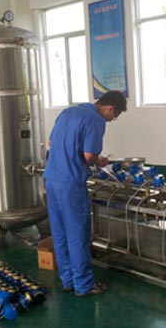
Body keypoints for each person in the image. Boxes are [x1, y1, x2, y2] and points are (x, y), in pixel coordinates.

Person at [43, 90, 127, 296]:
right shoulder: (95, 120)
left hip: (51, 179)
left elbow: (51, 143)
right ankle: (84, 284)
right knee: (77, 234)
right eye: (114, 116)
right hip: (70, 183)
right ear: (110, 108)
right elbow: (89, 156)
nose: (111, 120)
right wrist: (101, 161)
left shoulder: (67, 113)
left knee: (60, 232)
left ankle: (68, 279)